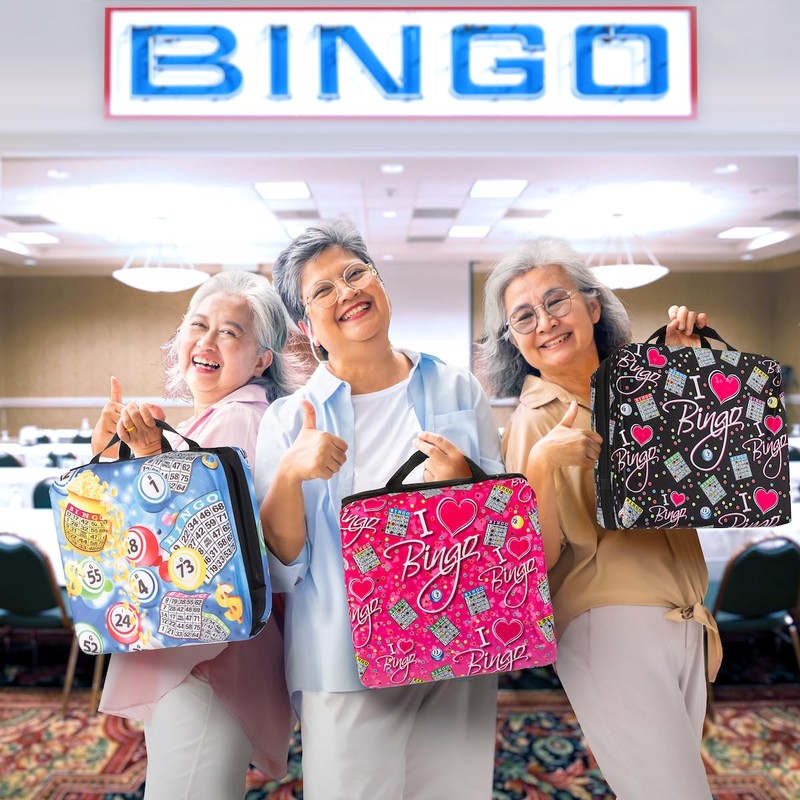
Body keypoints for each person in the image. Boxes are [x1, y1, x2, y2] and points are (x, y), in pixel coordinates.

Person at [254, 220, 504, 800]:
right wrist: (291, 473)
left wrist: (464, 483)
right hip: (343, 660)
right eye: (322, 291)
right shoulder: (290, 420)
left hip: (456, 645)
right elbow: (283, 564)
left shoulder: (456, 388)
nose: (346, 292)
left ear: (380, 281)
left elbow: (500, 524)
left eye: (355, 273)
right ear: (305, 325)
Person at [477, 237, 721, 800]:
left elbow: (701, 490)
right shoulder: (534, 423)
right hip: (608, 629)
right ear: (514, 341)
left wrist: (689, 374)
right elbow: (532, 562)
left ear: (593, 307)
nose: (545, 322)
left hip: (682, 618)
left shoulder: (638, 395)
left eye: (557, 301)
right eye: (524, 316)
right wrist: (539, 467)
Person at [91, 271, 296, 800]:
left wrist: (148, 461)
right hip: (200, 656)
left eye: (230, 332)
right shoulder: (218, 419)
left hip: (207, 660)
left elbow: (203, 558)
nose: (206, 342)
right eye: (198, 326)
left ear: (261, 359)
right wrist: (125, 456)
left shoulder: (237, 422)